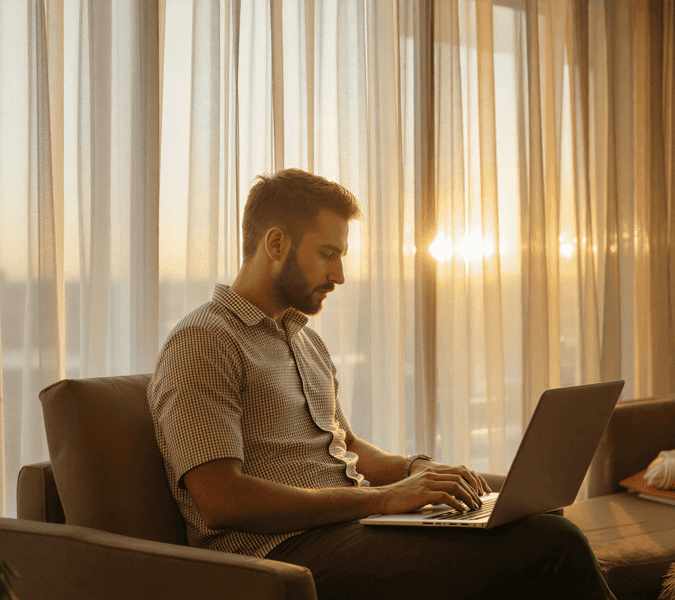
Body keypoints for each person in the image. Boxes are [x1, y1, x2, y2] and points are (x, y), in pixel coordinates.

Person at [148, 168, 616, 599]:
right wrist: (386, 499)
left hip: (352, 527)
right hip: (280, 555)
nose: (339, 275)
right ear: (276, 243)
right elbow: (223, 500)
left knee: (531, 518)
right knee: (551, 543)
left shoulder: (304, 341)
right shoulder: (204, 341)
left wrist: (419, 469)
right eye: (327, 254)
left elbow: (347, 446)